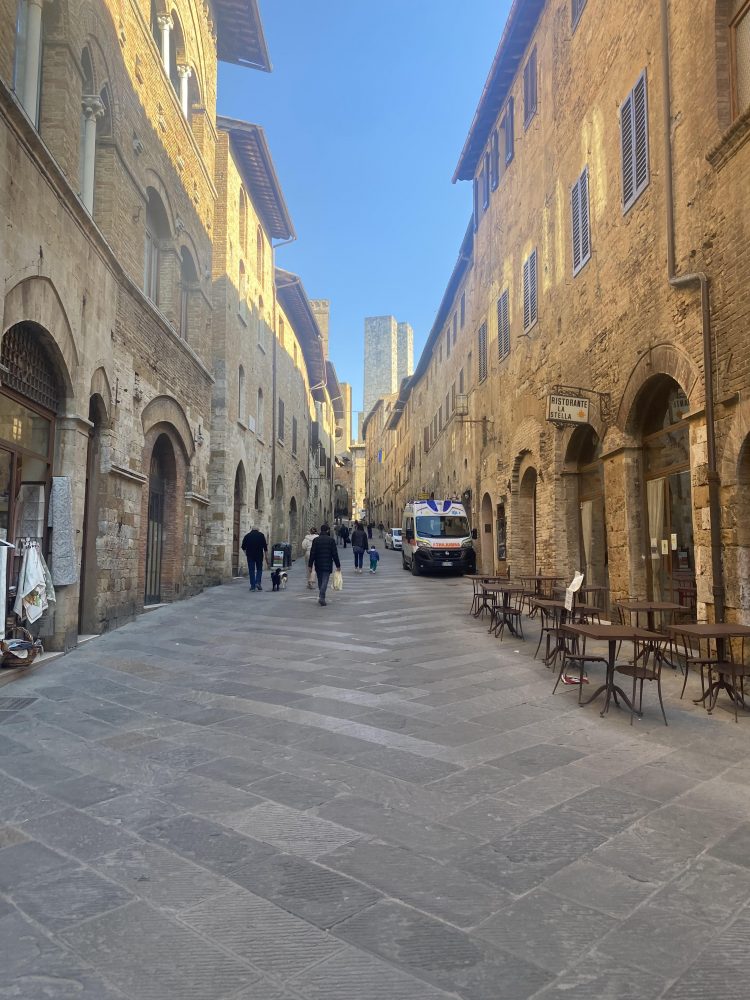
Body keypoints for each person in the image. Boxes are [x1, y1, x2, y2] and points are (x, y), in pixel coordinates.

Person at [308, 523, 340, 607]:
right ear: (327, 530)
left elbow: (312, 553)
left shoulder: (316, 540)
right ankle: (322, 596)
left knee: (320, 580)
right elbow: (334, 553)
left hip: (318, 563)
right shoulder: (331, 540)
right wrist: (338, 565)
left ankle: (321, 596)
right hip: (327, 563)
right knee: (325, 580)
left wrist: (310, 565)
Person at [241, 526, 269, 591]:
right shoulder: (261, 535)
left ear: (252, 529)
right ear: (258, 530)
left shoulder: (247, 536)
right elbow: (265, 547)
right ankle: (258, 582)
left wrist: (246, 554)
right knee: (259, 569)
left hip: (250, 556)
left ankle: (253, 586)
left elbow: (243, 547)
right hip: (259, 556)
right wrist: (266, 556)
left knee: (251, 570)